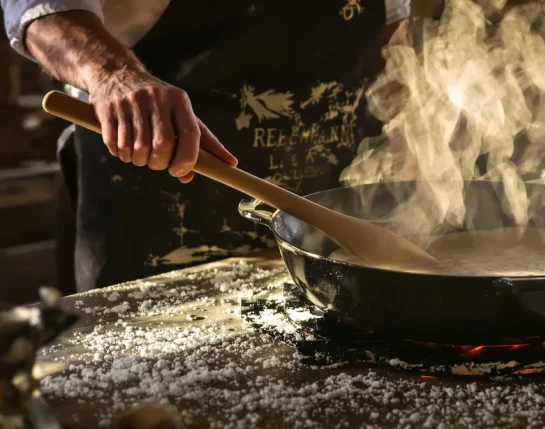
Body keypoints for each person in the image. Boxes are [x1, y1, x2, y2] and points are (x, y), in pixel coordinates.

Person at [0, 0, 409, 292]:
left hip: (321, 224)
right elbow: (40, 10)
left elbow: (384, 33)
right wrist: (112, 73)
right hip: (156, 209)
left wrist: (407, 116)